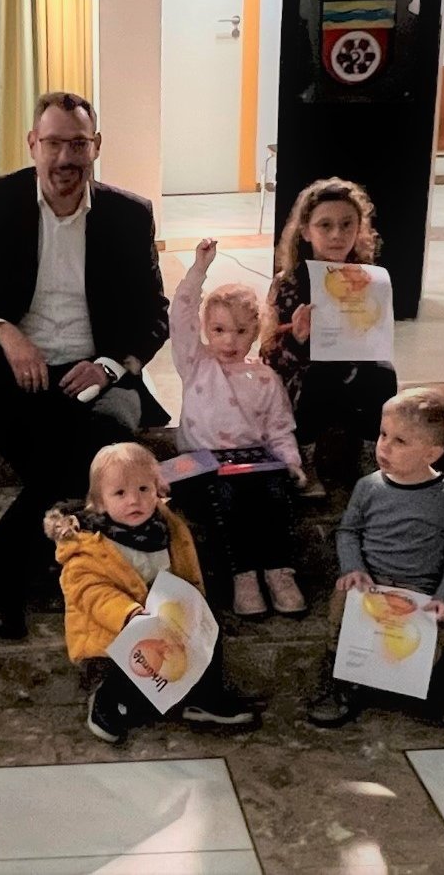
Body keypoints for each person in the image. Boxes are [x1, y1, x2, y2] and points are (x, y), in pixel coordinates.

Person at [0, 91, 170, 639]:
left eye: (78, 144)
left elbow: (155, 316)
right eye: (54, 143)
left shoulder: (129, 214)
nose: (65, 158)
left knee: (107, 437)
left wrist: (109, 366)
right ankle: (63, 474)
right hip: (15, 371)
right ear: (32, 144)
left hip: (89, 376)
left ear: (96, 146)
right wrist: (4, 331)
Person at [48, 443, 259, 745]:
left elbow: (183, 562)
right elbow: (91, 592)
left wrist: (189, 603)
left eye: (143, 489)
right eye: (120, 493)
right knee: (133, 664)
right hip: (114, 627)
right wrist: (128, 614)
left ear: (157, 490)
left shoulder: (165, 525)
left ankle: (205, 697)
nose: (134, 500)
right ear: (99, 502)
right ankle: (107, 700)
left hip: (163, 613)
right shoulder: (88, 546)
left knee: (208, 635)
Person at [307, 389, 444, 729]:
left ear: (431, 453)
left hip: (417, 590)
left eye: (400, 441)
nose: (384, 446)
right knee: (341, 619)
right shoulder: (368, 487)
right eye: (383, 434)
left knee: (420, 646)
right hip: (369, 584)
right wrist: (354, 568)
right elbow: (348, 531)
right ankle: (342, 682)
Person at [166, 238, 307, 619]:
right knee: (225, 498)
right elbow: (180, 315)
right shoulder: (196, 364)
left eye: (241, 331)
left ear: (255, 331)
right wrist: (199, 269)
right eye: (219, 329)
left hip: (254, 463)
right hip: (203, 465)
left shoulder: (264, 378)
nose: (229, 340)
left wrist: (290, 461)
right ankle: (243, 576)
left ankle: (278, 572)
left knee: (276, 492)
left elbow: (279, 428)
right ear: (206, 329)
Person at [260, 178, 399, 498]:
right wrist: (295, 338)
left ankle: (370, 455)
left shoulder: (367, 278)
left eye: (347, 224)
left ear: (359, 228)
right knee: (320, 374)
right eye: (325, 225)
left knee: (383, 373)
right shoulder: (289, 283)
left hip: (353, 375)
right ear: (306, 231)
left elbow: (374, 342)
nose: (337, 234)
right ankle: (305, 460)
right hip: (305, 381)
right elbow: (269, 356)